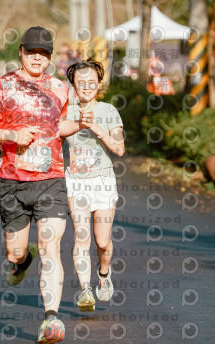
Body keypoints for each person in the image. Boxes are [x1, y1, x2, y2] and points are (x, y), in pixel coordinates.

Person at [0, 27, 90, 344]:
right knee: (15, 253)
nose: (37, 58)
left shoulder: (59, 88)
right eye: (31, 52)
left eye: (44, 53)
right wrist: (12, 135)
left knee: (51, 246)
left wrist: (79, 123)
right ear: (21, 53)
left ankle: (51, 319)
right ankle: (23, 260)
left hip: (51, 179)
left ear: (50, 57)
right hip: (12, 181)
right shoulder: (2, 85)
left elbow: (59, 125)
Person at [64, 58, 125, 312]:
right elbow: (54, 135)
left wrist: (96, 127)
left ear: (99, 84)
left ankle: (104, 273)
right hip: (76, 182)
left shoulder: (109, 111)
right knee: (81, 237)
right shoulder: (67, 111)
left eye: (91, 82)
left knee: (102, 242)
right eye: (81, 82)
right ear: (74, 86)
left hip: (103, 182)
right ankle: (85, 291)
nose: (86, 87)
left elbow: (119, 149)